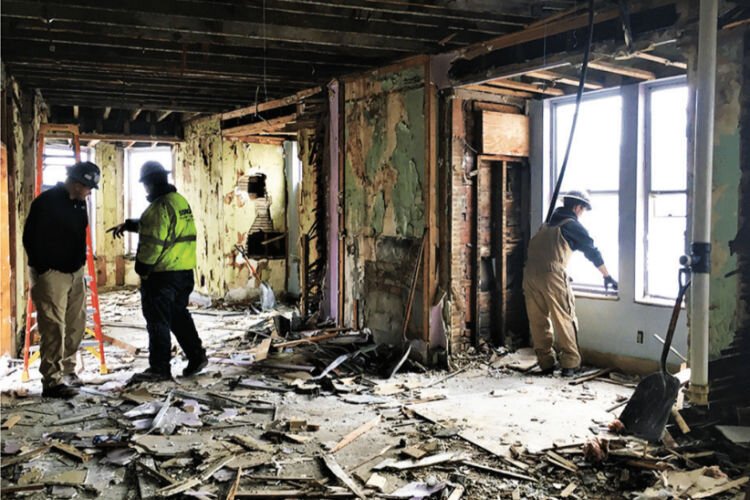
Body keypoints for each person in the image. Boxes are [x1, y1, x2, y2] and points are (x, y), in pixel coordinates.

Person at [108, 161, 207, 382]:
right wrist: (130, 224)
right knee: (179, 316)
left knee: (158, 320)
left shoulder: (157, 208)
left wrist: (142, 270)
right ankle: (196, 355)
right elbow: (167, 227)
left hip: (162, 275)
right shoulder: (178, 201)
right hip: (183, 272)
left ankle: (159, 367)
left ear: (149, 184)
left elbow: (153, 243)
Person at [23, 161, 101, 398]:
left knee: (76, 323)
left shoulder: (79, 204)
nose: (89, 192)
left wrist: (79, 266)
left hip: (74, 272)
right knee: (54, 327)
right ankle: (52, 381)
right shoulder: (46, 203)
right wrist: (44, 269)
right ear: (77, 183)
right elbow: (30, 239)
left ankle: (68, 370)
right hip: (52, 274)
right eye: (88, 187)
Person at [523, 190, 618, 377]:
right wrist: (606, 275)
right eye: (583, 210)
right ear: (577, 207)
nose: (582, 214)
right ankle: (570, 364)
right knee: (564, 317)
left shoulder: (547, 224)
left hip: (529, 274)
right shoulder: (572, 225)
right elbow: (592, 251)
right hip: (553, 275)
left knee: (538, 320)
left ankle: (546, 362)